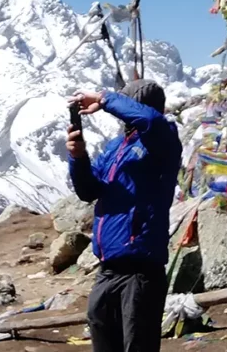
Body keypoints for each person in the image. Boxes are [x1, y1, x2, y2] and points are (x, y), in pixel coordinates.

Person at [67, 79, 182, 352]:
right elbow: (88, 190)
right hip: (107, 269)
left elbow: (149, 121)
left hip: (140, 271)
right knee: (103, 339)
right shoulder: (116, 147)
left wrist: (105, 99)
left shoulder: (162, 140)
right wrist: (79, 158)